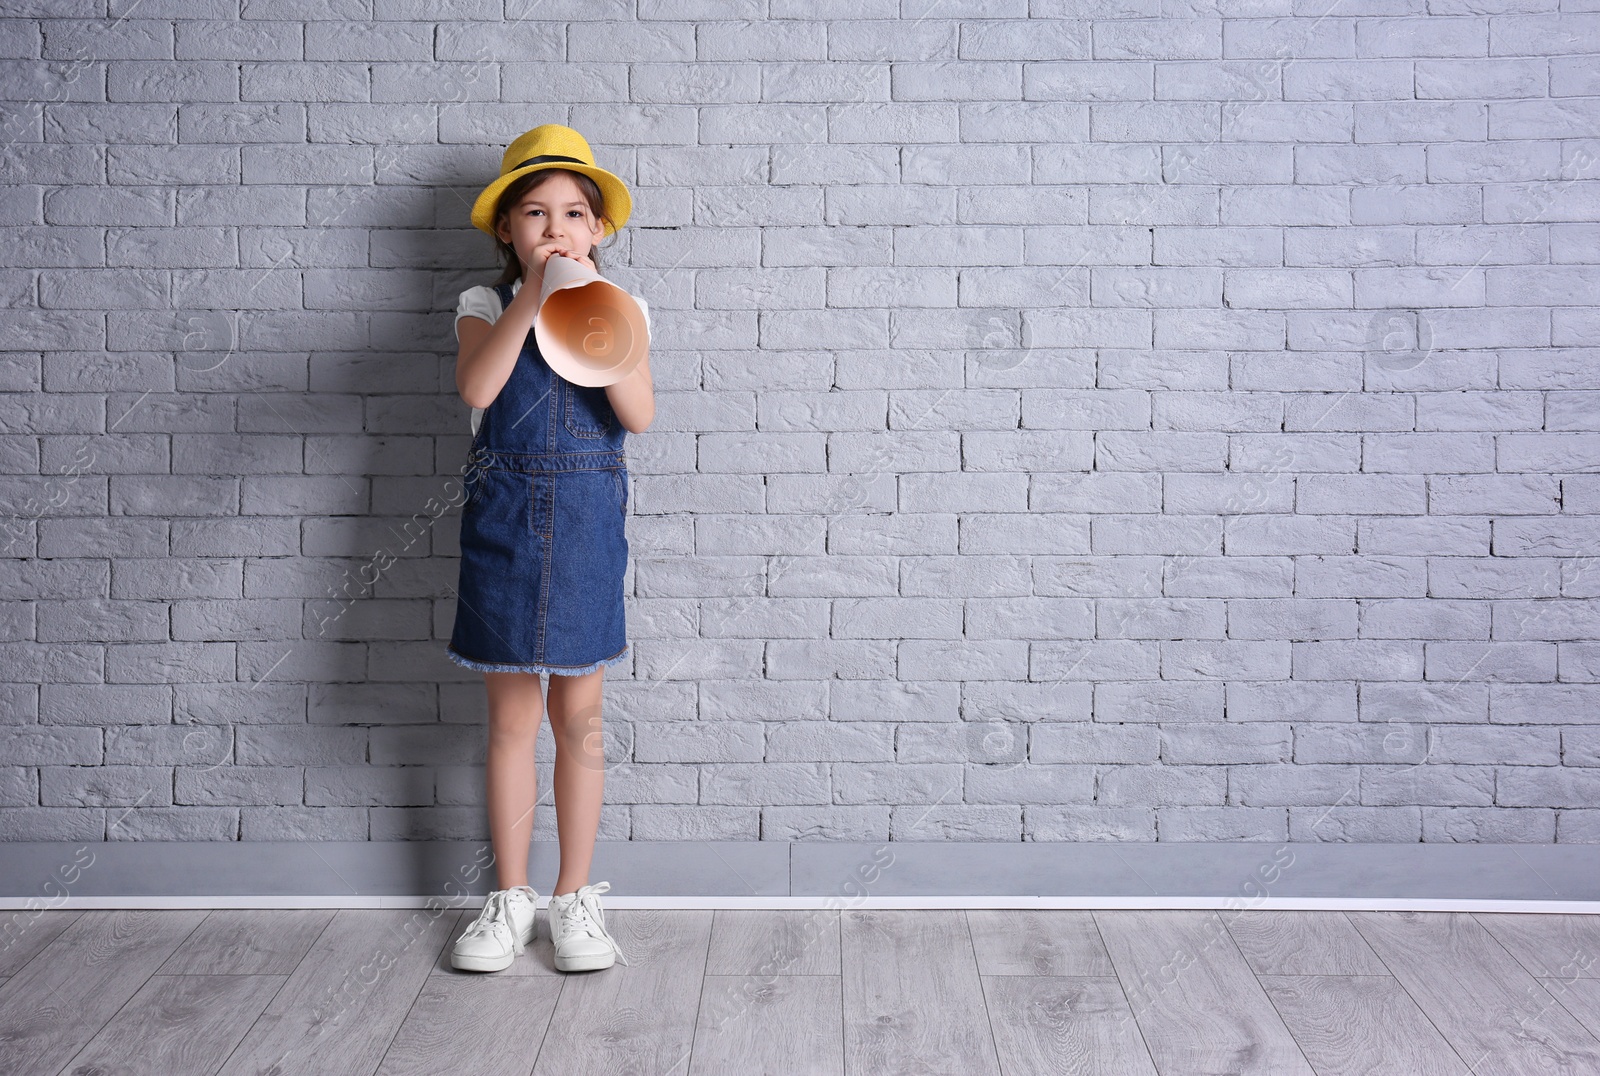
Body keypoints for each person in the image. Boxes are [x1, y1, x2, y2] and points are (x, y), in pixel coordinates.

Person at [445, 124, 654, 974]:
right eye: (535, 214)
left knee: (583, 721)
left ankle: (574, 900)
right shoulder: (482, 307)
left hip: (585, 533)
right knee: (509, 724)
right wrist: (532, 299)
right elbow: (479, 389)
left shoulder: (623, 309)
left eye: (574, 213)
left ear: (598, 231)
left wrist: (586, 306)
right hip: (503, 526)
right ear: (507, 231)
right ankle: (510, 899)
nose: (556, 228)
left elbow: (636, 414)